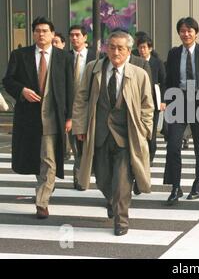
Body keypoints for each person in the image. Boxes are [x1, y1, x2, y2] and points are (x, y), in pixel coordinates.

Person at [72, 31, 154, 236]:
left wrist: (144, 129)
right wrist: (80, 127)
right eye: (112, 47)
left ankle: (121, 220)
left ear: (128, 51)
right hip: (99, 134)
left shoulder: (139, 73)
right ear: (106, 48)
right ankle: (111, 200)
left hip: (126, 137)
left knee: (122, 181)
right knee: (102, 178)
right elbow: (81, 99)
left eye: (120, 48)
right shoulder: (93, 69)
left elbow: (147, 105)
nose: (115, 51)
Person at [2, 16, 73, 219]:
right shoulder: (20, 55)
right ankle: (45, 184)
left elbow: (70, 88)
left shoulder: (64, 58)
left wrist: (70, 117)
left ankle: (42, 202)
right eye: (37, 31)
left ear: (52, 34)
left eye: (44, 31)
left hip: (53, 116)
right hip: (29, 118)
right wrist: (22, 90)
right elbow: (7, 81)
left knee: (49, 159)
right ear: (33, 34)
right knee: (37, 158)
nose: (41, 34)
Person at [164, 17, 199, 205]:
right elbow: (167, 80)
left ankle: (198, 186)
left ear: (196, 33)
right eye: (182, 30)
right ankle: (175, 187)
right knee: (173, 145)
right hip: (178, 101)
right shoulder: (173, 53)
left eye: (189, 30)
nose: (186, 34)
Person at [69, 25, 97, 190]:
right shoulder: (65, 58)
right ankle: (78, 177)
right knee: (76, 145)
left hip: (89, 106)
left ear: (85, 37)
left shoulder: (96, 57)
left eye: (77, 35)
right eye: (71, 35)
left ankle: (86, 174)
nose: (74, 38)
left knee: (89, 143)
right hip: (71, 107)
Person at [136, 34, 166, 164]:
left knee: (151, 130)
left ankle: (151, 154)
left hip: (153, 99)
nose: (142, 50)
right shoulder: (134, 61)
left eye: (144, 47)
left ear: (150, 48)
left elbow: (164, 81)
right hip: (137, 100)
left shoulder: (156, 62)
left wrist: (164, 101)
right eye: (140, 48)